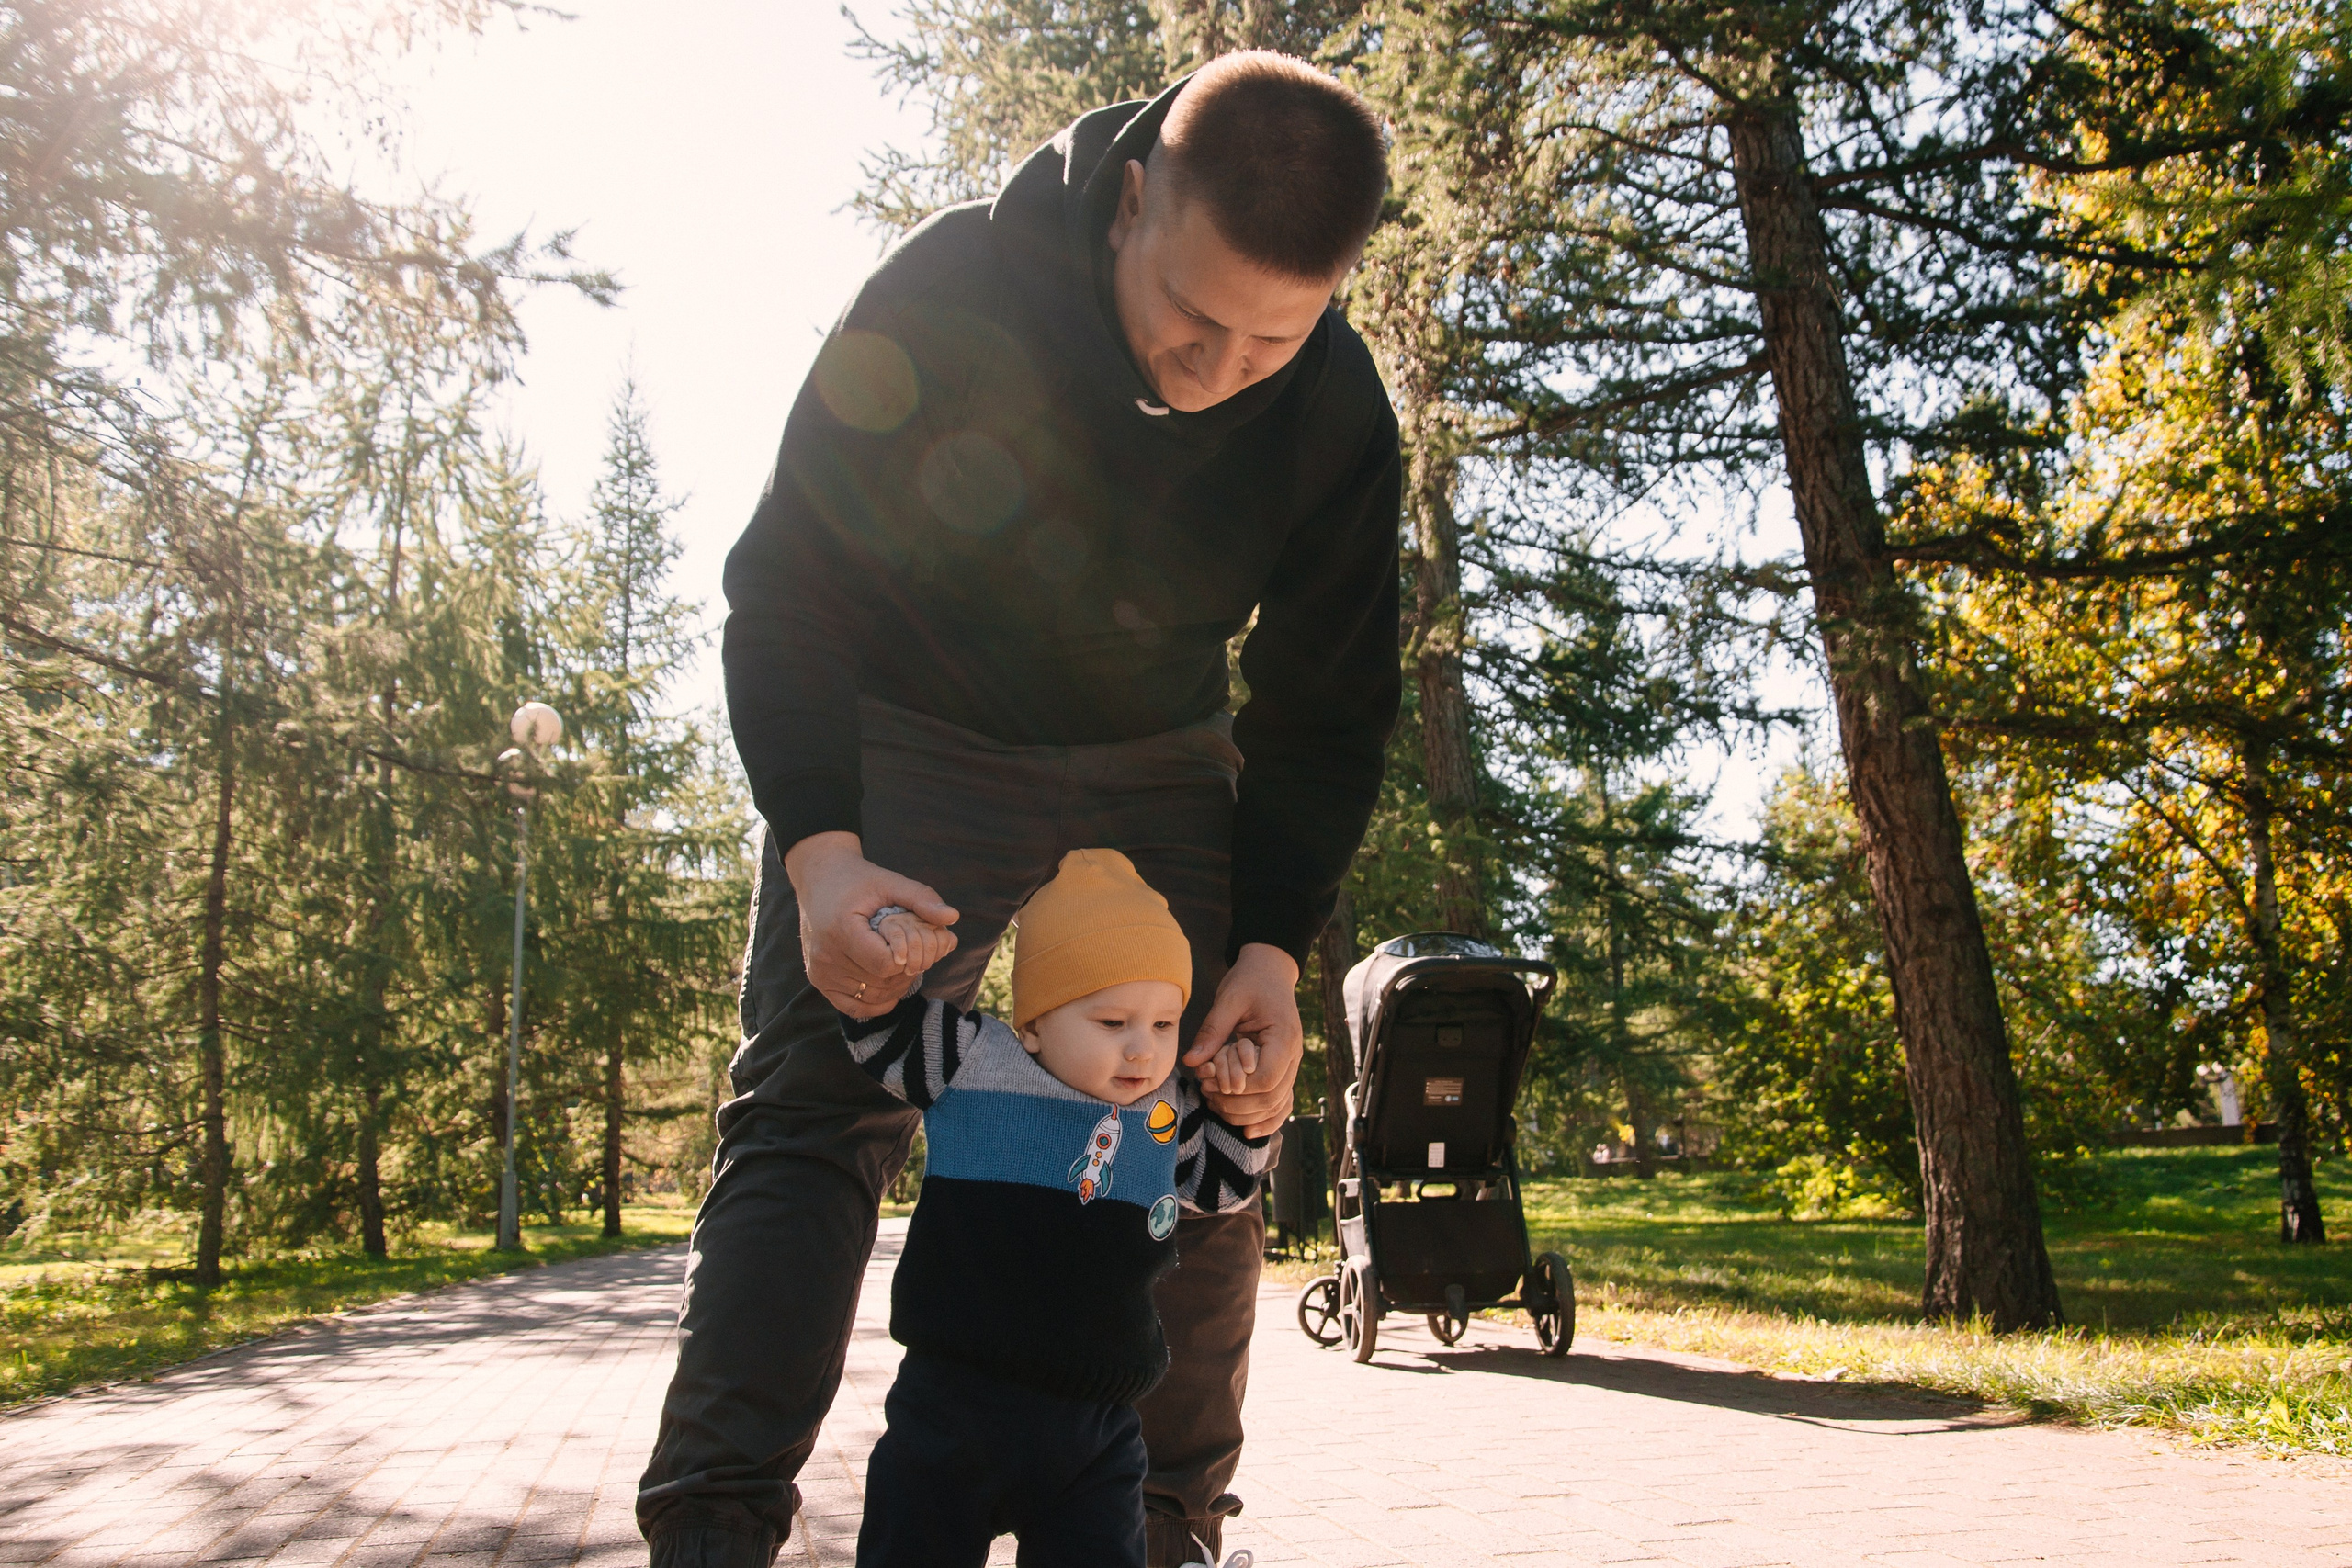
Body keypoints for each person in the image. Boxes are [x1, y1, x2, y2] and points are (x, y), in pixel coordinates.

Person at [637, 49, 1402, 1568]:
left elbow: (1323, 709)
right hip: (920, 726)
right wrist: (821, 846)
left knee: (1204, 1100)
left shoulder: (1332, 411)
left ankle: (1162, 1524)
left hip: (1157, 755)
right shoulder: (949, 294)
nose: (1218, 370)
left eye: (1270, 338)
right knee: (814, 1104)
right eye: (1193, 319)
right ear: (1130, 205)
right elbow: (790, 582)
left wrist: (1266, 947)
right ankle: (714, 1529)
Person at [848, 851, 1272, 1567]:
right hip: (951, 1410)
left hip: (1097, 1427)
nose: (1144, 1048)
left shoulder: (1167, 1110)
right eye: (1112, 1020)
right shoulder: (974, 1058)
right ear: (1036, 1022)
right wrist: (892, 943)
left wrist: (1243, 1108)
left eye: (1165, 1023)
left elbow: (1223, 1187)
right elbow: (874, 1031)